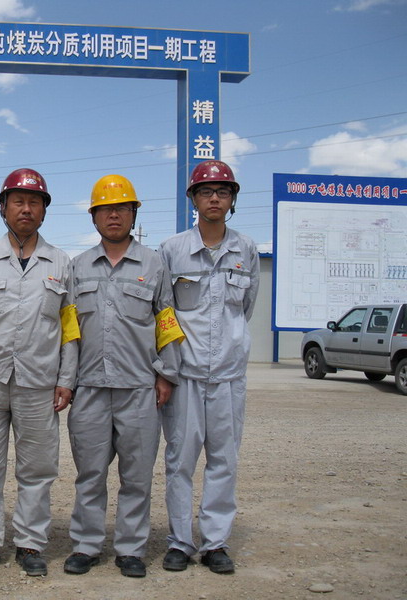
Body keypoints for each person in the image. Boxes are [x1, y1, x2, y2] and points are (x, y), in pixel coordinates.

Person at [0, 168, 79, 577]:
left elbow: (70, 327)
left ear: (44, 210)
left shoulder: (61, 262)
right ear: (3, 208)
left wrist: (66, 379)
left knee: (37, 468)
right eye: (18, 201)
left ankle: (30, 543)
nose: (26, 209)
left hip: (39, 382)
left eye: (34, 202)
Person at [64, 175, 183, 578]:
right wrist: (67, 380)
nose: (113, 215)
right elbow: (69, 330)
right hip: (90, 389)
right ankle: (86, 544)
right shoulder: (78, 267)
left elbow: (167, 321)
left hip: (139, 389)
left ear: (133, 213)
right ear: (94, 217)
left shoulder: (154, 264)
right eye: (105, 209)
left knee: (136, 476)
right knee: (90, 474)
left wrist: (166, 374)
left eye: (121, 208)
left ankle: (130, 549)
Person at [158, 160, 259, 574]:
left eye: (222, 191)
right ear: (193, 199)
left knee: (224, 461)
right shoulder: (172, 250)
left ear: (232, 199)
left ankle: (215, 542)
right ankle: (180, 541)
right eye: (205, 191)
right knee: (179, 461)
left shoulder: (246, 250)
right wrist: (166, 371)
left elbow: (245, 309)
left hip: (229, 378)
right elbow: (164, 313)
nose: (214, 198)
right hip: (185, 376)